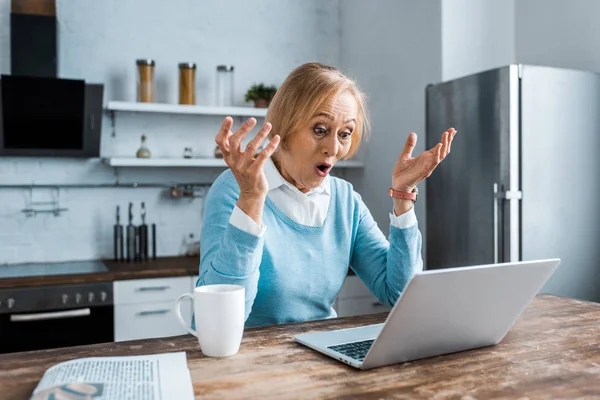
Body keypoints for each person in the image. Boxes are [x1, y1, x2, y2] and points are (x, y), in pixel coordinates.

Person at [198, 62, 456, 327]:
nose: (333, 148)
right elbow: (217, 322)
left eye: (345, 134)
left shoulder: (344, 200)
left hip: (322, 354)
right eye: (319, 129)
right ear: (284, 125)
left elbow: (400, 294)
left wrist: (403, 195)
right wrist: (251, 200)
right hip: (253, 362)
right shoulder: (234, 189)